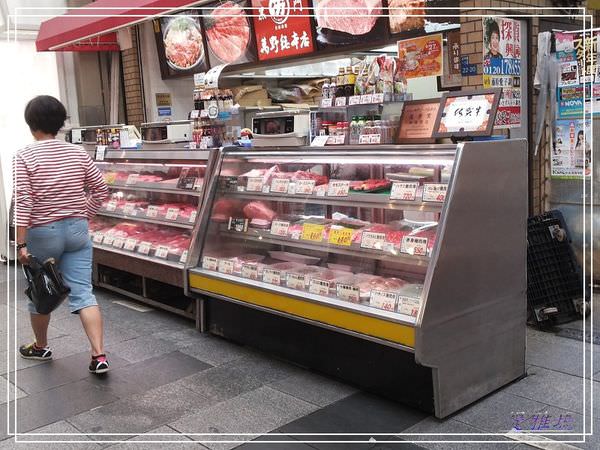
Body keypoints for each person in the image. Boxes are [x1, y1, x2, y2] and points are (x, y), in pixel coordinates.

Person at [13, 95, 110, 374]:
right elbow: (101, 190)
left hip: (43, 232)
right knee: (84, 293)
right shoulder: (77, 153)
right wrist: (84, 215)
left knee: (40, 291)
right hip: (77, 230)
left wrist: (20, 242)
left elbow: (24, 200)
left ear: (31, 124)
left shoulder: (24, 156)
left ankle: (40, 346)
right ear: (60, 123)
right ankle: (99, 355)